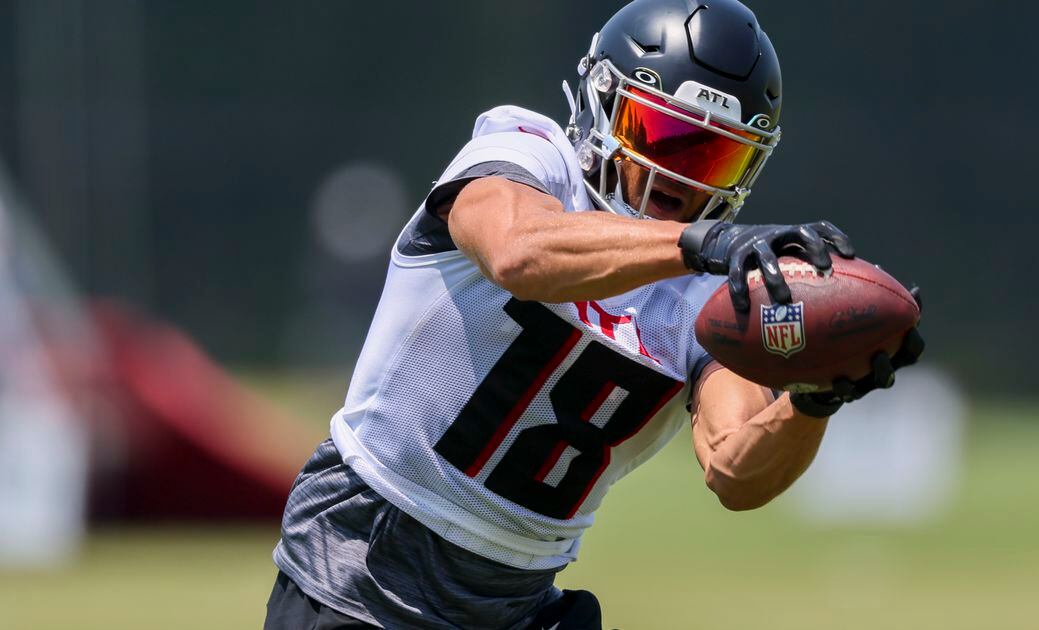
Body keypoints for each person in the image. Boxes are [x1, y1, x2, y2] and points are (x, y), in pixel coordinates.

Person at [265, 1, 923, 628]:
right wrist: (705, 245)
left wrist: (814, 398)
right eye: (666, 136)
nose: (683, 177)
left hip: (519, 602)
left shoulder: (704, 297)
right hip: (364, 564)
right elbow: (517, 254)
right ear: (605, 104)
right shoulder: (527, 157)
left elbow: (736, 469)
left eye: (714, 155)